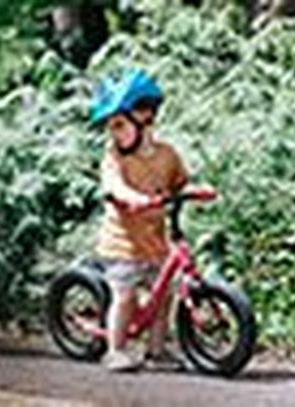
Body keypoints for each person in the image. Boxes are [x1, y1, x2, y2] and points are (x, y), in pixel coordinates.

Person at [90, 69, 192, 372]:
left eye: (119, 125)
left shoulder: (167, 155)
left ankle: (156, 352)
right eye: (110, 127)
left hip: (156, 244)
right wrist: (131, 197)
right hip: (121, 245)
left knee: (164, 296)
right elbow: (114, 185)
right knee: (125, 296)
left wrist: (193, 191)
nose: (114, 133)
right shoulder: (114, 157)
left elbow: (180, 183)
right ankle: (115, 349)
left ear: (145, 118)